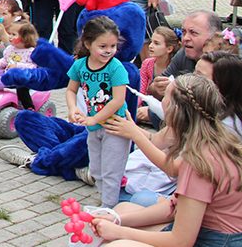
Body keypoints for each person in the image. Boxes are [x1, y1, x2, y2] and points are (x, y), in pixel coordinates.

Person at [92, 75, 242, 246]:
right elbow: (175, 206)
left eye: (164, 97)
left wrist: (119, 232)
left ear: (173, 110)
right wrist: (118, 219)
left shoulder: (198, 163)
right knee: (123, 210)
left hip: (215, 241)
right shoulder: (216, 140)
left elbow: (181, 241)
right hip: (210, 232)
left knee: (117, 244)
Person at [65, 16, 130, 208]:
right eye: (103, 46)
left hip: (115, 127)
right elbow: (71, 90)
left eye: (112, 46)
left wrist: (95, 119)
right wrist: (73, 109)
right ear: (88, 44)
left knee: (111, 170)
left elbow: (118, 100)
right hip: (93, 127)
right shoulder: (80, 65)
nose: (108, 50)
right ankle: (106, 200)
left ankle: (109, 207)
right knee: (96, 168)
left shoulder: (116, 68)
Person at [149, 10, 221, 99]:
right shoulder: (183, 54)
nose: (185, 38)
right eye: (183, 32)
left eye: (193, 33)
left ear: (214, 36)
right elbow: (154, 88)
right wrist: (157, 88)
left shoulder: (225, 63)